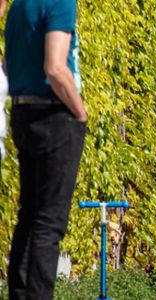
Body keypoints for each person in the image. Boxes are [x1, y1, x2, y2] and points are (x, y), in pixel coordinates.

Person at [5, 0, 88, 298]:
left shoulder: (19, 6)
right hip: (54, 116)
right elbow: (55, 67)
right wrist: (80, 112)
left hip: (22, 111)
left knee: (29, 215)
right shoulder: (60, 2)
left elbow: (10, 63)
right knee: (49, 222)